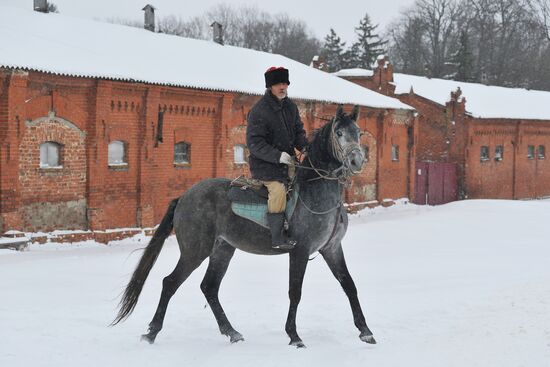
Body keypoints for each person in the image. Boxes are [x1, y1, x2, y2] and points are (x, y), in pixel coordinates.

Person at [246, 66, 308, 250]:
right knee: (279, 191)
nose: (283, 87)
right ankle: (277, 236)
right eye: (278, 84)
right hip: (266, 167)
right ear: (270, 86)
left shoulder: (291, 107)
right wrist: (277, 156)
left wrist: (305, 146)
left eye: (285, 83)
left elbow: (298, 132)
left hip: (288, 165)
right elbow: (254, 144)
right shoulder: (259, 110)